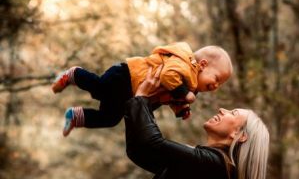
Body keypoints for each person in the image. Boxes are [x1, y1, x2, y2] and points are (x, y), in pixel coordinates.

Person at [124, 67, 270, 179]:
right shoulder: (208, 163)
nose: (222, 110)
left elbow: (152, 143)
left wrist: (142, 99)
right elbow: (139, 151)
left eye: (233, 113)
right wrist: (140, 102)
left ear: (240, 135)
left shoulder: (214, 165)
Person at [51, 42, 232, 136]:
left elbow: (169, 96)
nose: (215, 86)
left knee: (111, 118)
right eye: (216, 79)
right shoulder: (184, 64)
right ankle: (75, 74)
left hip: (131, 94)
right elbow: (168, 76)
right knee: (100, 89)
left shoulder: (190, 85)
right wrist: (184, 94)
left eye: (220, 85)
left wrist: (180, 108)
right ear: (202, 64)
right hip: (126, 77)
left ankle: (75, 116)